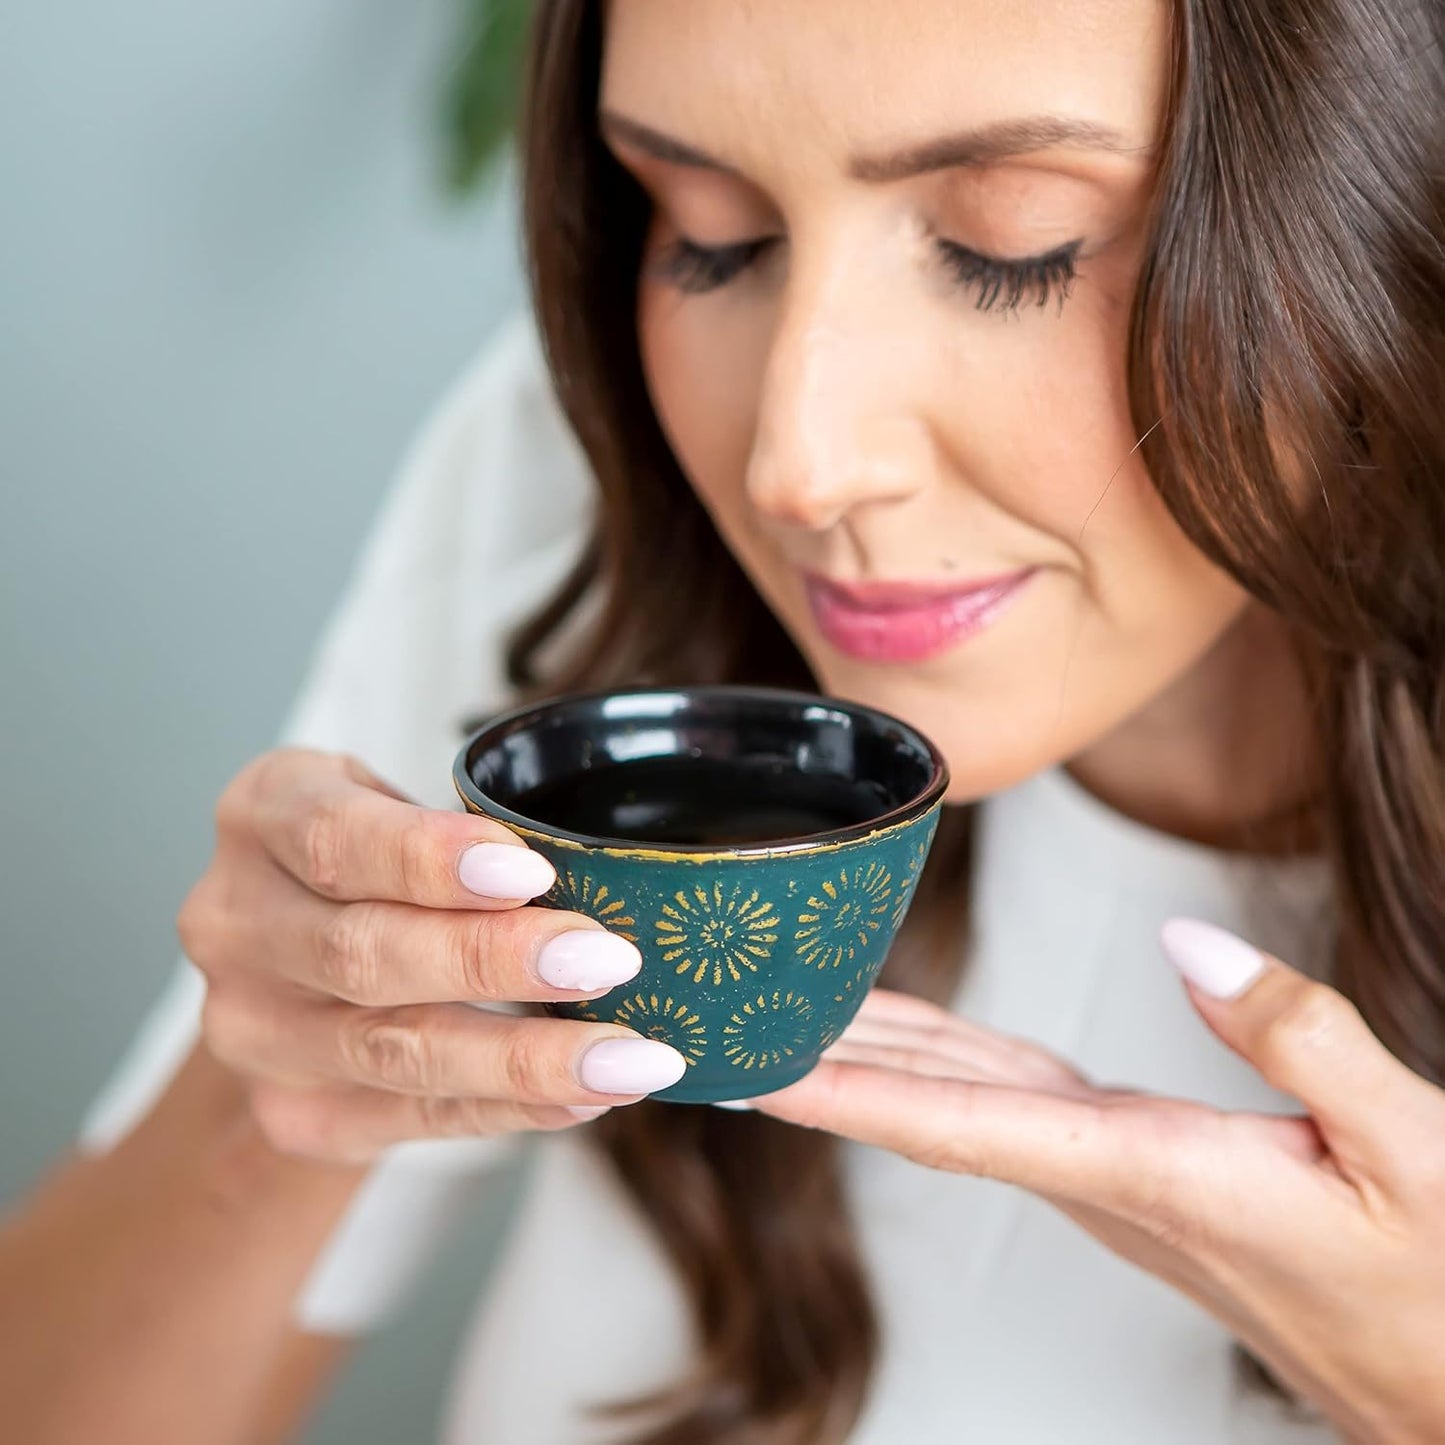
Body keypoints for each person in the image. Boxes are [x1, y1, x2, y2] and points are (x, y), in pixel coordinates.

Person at [2, 1, 1442, 1441]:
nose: (793, 463)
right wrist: (277, 1109)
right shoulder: (597, 511)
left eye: (1012, 246)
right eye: (712, 235)